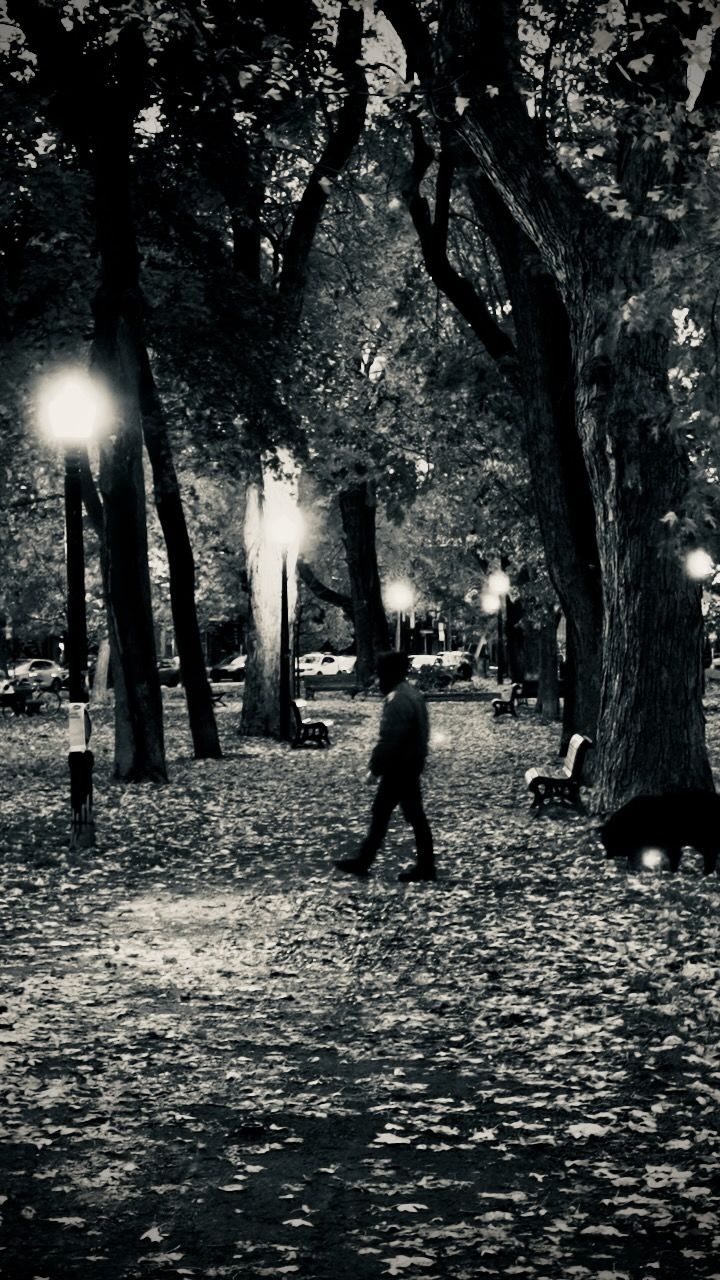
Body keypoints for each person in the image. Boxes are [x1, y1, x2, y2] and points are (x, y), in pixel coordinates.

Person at [334, 651, 435, 882]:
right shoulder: (412, 694)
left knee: (394, 814)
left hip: (399, 767)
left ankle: (370, 862)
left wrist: (375, 769)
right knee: (402, 814)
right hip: (409, 764)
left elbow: (389, 739)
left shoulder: (398, 699)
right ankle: (370, 861)